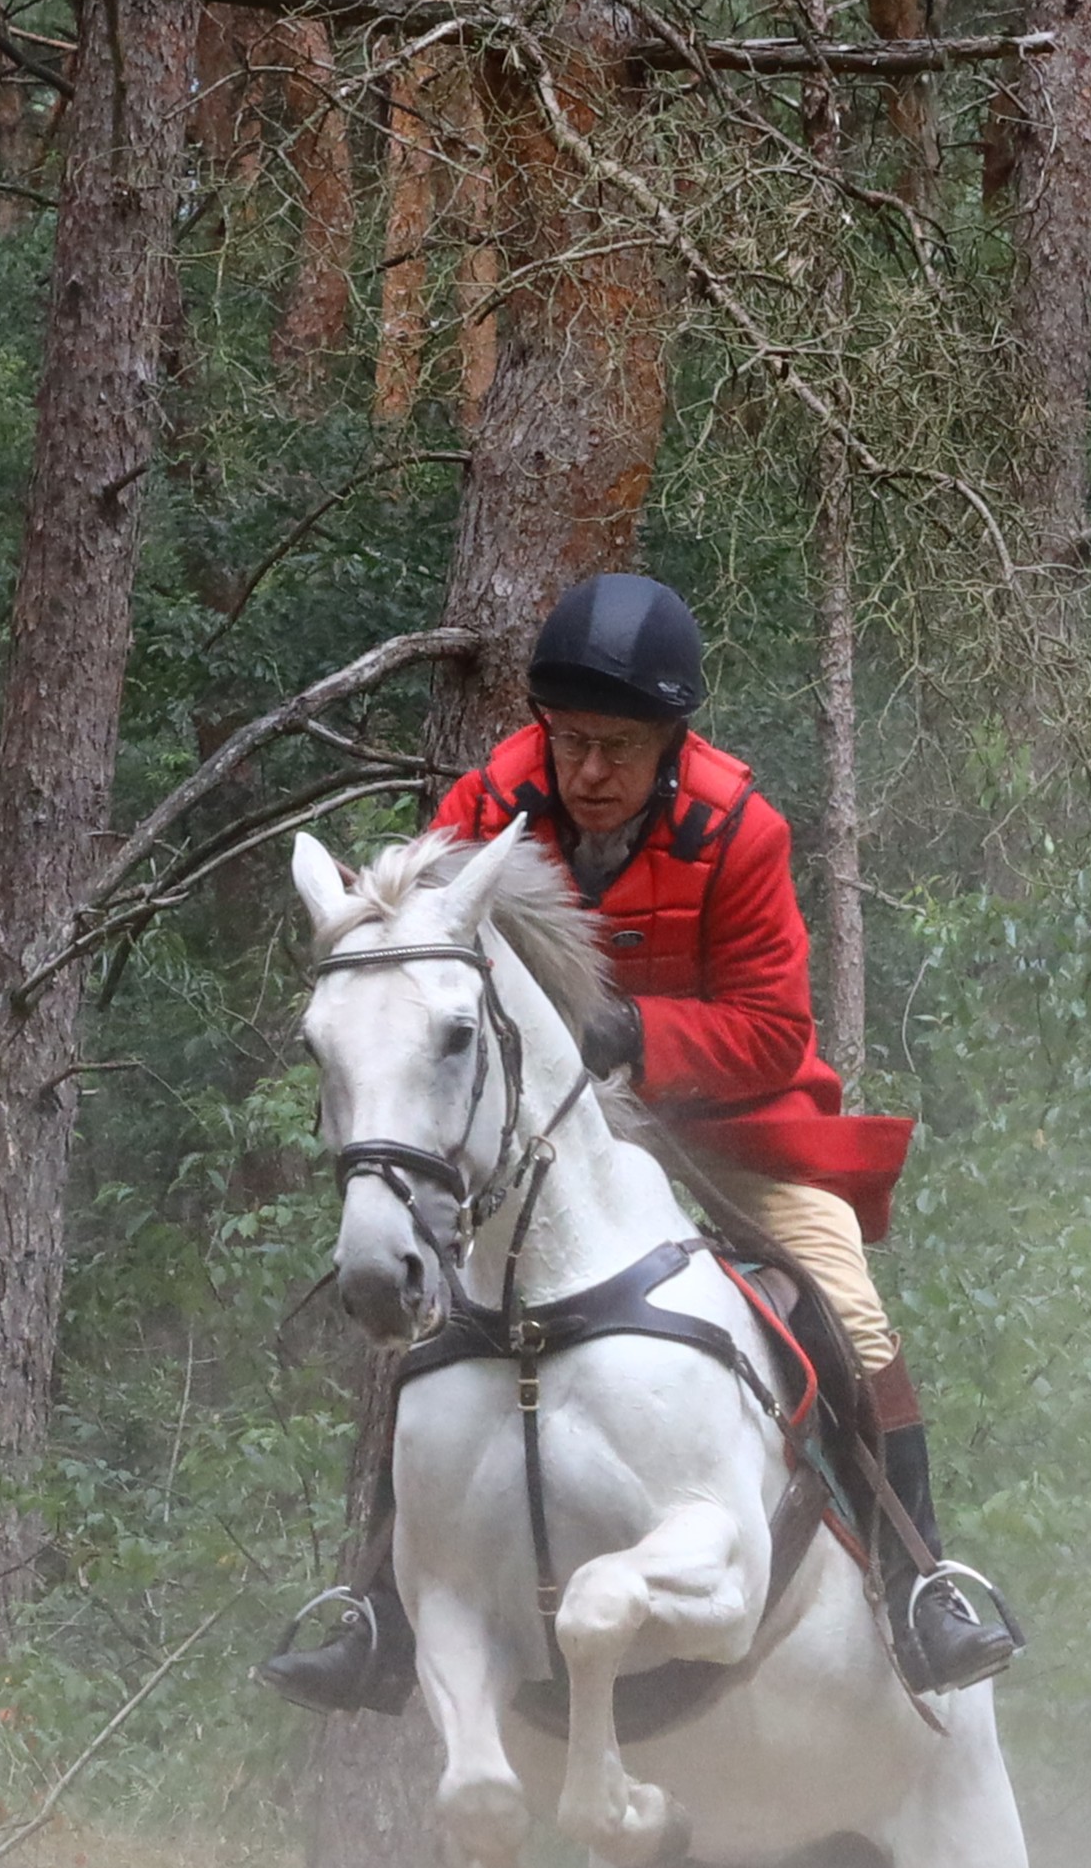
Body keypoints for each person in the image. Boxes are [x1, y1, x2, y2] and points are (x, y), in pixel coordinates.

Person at [261, 571, 1025, 1710]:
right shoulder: (484, 804)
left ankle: (921, 1584)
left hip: (722, 1131)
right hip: (540, 1141)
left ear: (669, 742)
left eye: (617, 746)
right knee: (426, 1309)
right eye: (568, 738)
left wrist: (638, 1036)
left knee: (847, 1302)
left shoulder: (741, 829)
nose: (587, 770)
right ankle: (376, 1605)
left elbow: (774, 1030)